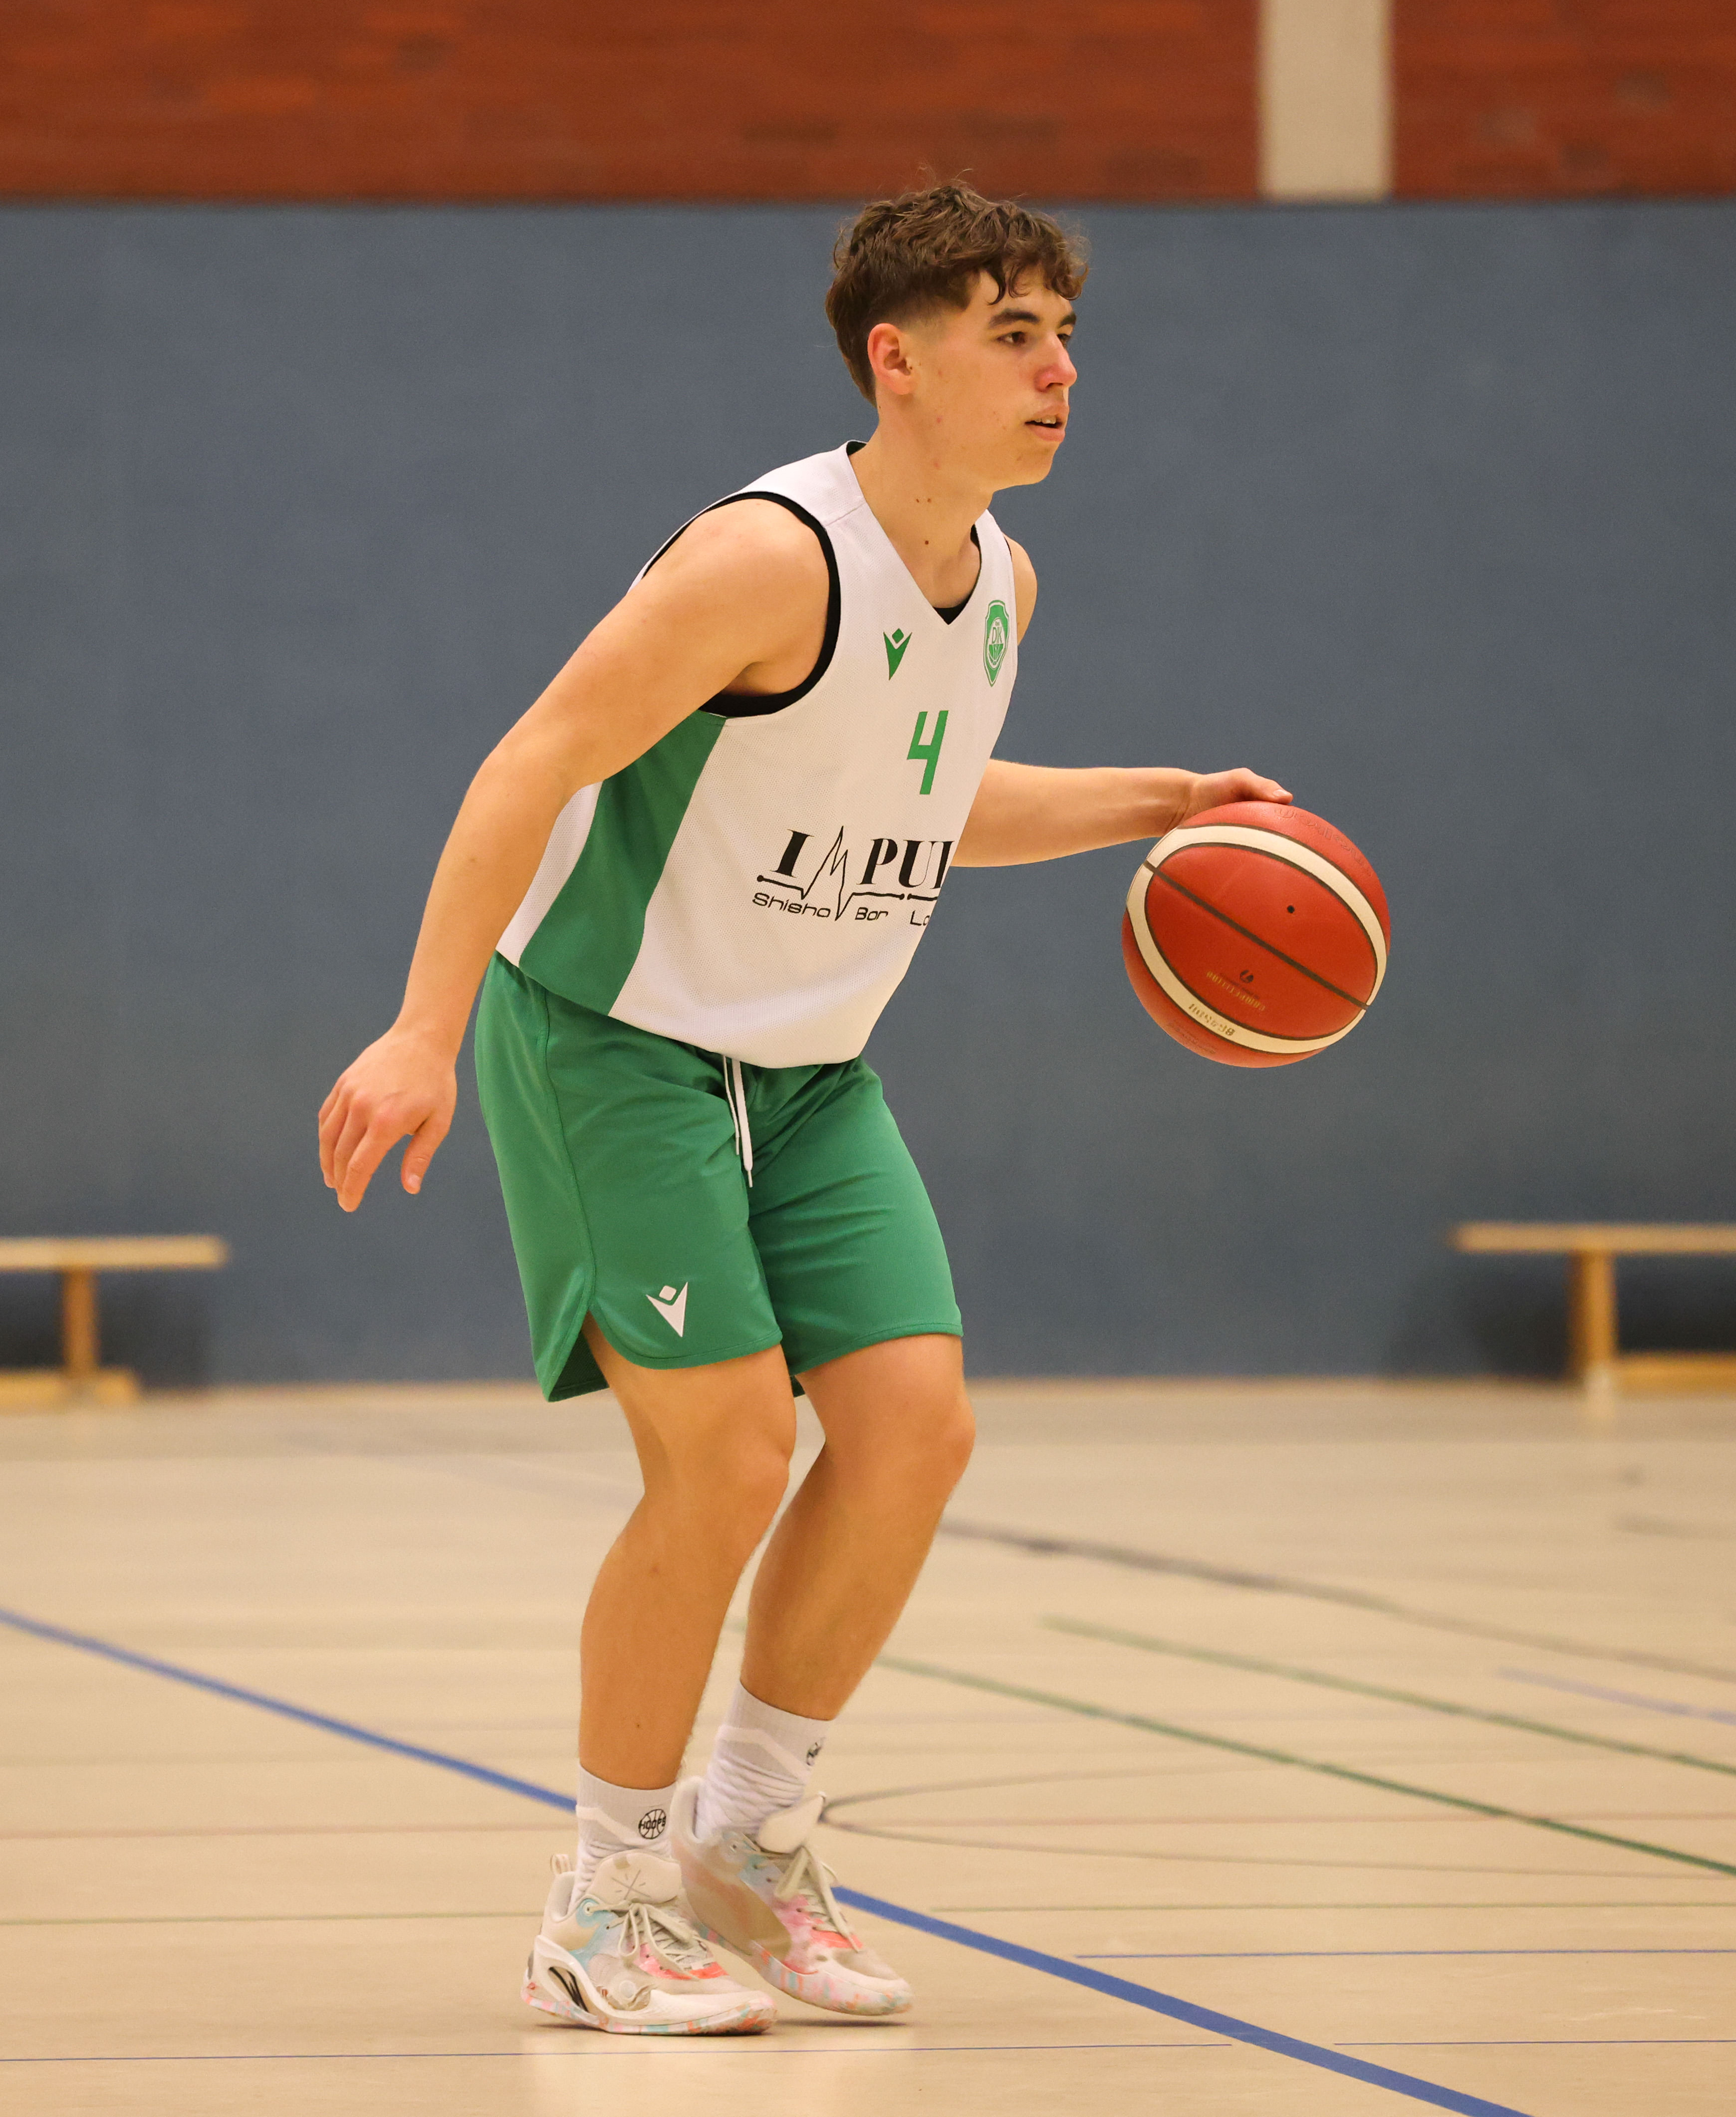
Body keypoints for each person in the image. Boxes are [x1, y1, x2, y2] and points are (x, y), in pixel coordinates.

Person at [316, 180, 1289, 2037]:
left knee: (915, 1430)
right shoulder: (769, 560)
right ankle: (603, 1896)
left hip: (810, 1069)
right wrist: (421, 1028)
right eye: (1016, 336)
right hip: (614, 1039)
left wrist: (1154, 801)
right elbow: (536, 755)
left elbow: (920, 798)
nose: (1060, 372)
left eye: (1067, 336)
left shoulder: (998, 582)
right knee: (731, 1455)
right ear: (895, 360)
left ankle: (747, 1843)